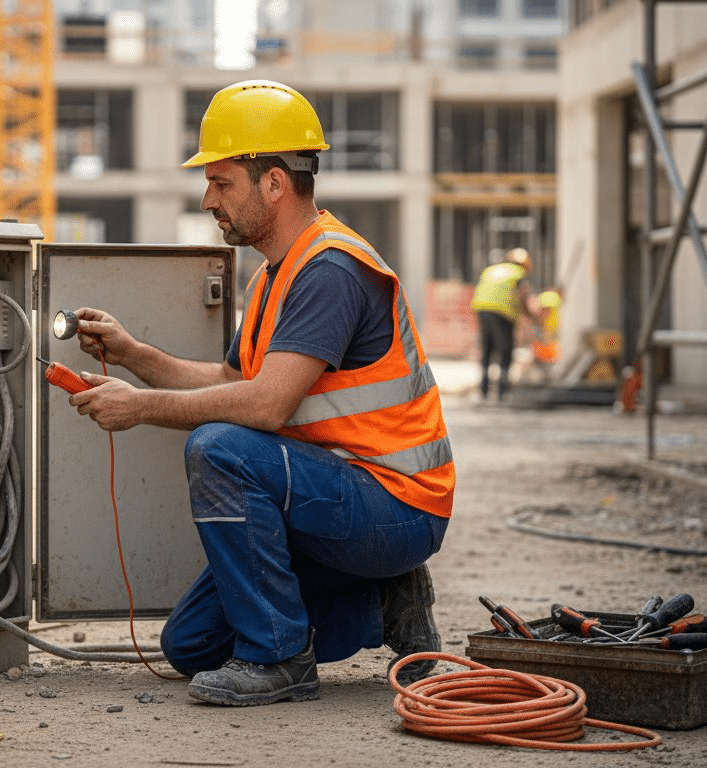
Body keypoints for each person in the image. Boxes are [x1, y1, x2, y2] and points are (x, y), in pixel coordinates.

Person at [63, 80, 455, 706]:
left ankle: (280, 659)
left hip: (395, 505)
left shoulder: (331, 269)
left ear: (273, 182)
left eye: (221, 184)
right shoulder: (279, 271)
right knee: (189, 646)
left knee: (218, 447)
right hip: (335, 495)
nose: (207, 199)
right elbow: (231, 383)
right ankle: (383, 601)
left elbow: (264, 405)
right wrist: (134, 356)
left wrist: (140, 409)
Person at [470, 247, 537, 400]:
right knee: (505, 350)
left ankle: (484, 389)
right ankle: (502, 390)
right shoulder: (518, 273)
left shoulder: (491, 270)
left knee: (487, 349)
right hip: (502, 313)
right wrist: (531, 315)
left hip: (482, 310)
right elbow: (524, 297)